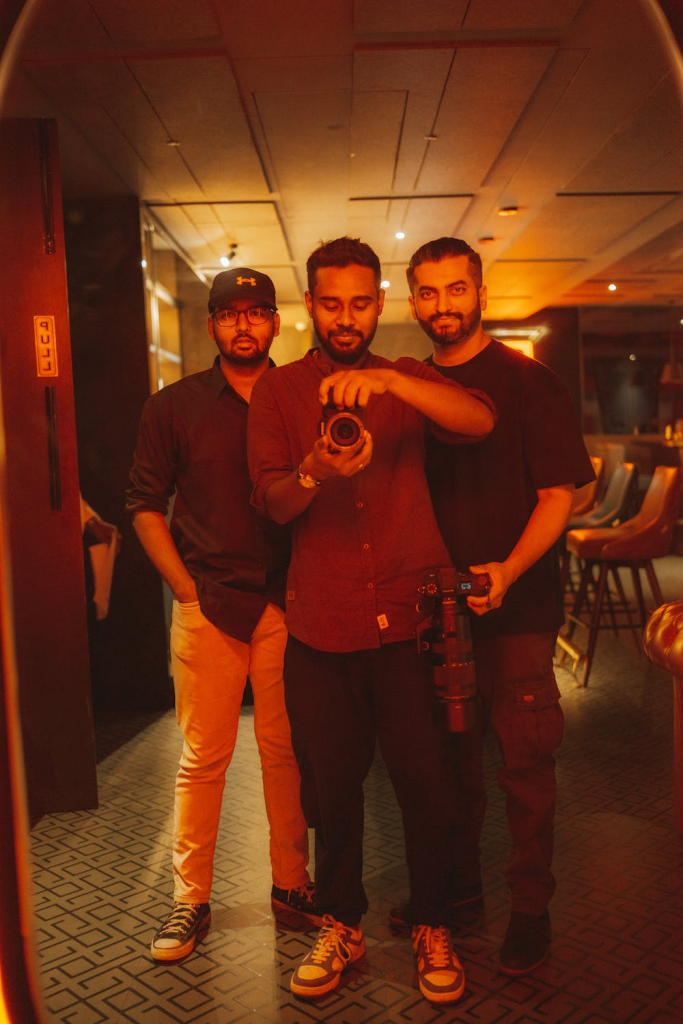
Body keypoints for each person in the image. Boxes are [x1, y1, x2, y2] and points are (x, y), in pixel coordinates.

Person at [247, 237, 495, 1005]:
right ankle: (340, 923)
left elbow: (477, 419)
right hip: (321, 624)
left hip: (409, 616)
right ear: (310, 303)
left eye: (360, 303)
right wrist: (316, 467)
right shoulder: (280, 393)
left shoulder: (409, 376)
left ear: (378, 304)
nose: (345, 317)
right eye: (330, 303)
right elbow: (269, 503)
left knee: (426, 782)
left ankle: (431, 922)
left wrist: (392, 382)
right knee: (332, 790)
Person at [403, 236, 594, 976]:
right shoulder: (412, 383)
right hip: (433, 610)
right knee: (448, 769)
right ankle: (459, 895)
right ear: (413, 300)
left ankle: (529, 910)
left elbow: (558, 497)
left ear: (478, 292)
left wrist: (508, 571)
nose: (442, 305)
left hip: (515, 607)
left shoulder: (526, 381)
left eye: (454, 289)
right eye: (427, 292)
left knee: (523, 765)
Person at [126, 267, 317, 963]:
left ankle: (292, 886)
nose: (244, 325)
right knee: (202, 759)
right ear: (212, 325)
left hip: (285, 600)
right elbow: (143, 504)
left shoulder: (298, 396)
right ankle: (189, 901)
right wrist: (183, 590)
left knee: (285, 754)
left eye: (257, 312)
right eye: (230, 314)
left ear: (274, 322)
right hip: (207, 601)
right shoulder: (172, 406)